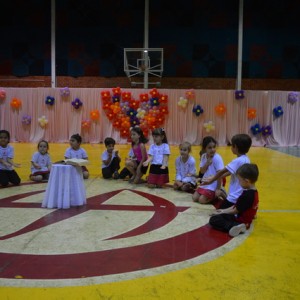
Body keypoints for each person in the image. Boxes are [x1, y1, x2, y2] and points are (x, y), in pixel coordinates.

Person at [201, 133, 252, 209]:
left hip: (235, 194)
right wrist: (214, 177)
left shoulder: (237, 161)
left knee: (221, 212)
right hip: (239, 193)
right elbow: (229, 172)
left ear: (236, 148)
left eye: (232, 145)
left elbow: (222, 171)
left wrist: (211, 180)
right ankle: (223, 195)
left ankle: (222, 192)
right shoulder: (246, 159)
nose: (231, 147)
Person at [209, 163, 259, 237]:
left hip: (241, 221)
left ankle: (235, 226)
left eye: (239, 180)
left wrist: (221, 213)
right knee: (221, 213)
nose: (239, 182)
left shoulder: (247, 195)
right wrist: (223, 211)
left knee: (214, 220)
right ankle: (238, 226)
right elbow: (236, 206)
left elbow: (235, 210)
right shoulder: (254, 192)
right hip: (246, 219)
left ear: (246, 181)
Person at [192, 136, 225, 204]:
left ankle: (220, 193)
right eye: (209, 148)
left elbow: (220, 174)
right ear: (205, 149)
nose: (212, 149)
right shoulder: (204, 156)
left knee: (201, 200)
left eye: (214, 147)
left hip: (214, 183)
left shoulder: (217, 158)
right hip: (206, 182)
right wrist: (207, 163)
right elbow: (202, 171)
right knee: (194, 198)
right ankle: (209, 194)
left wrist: (218, 189)